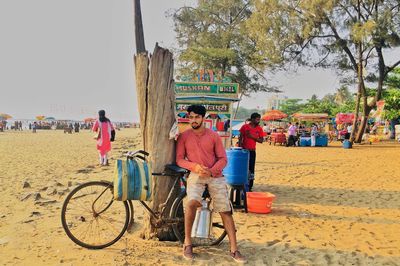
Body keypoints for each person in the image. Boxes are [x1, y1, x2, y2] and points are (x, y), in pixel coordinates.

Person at [176, 105, 246, 263]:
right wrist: (194, 167)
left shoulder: (213, 136)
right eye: (191, 117)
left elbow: (223, 159)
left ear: (203, 118)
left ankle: (234, 249)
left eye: (196, 117)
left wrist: (212, 170)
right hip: (195, 174)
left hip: (215, 175)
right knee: (191, 203)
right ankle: (188, 243)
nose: (193, 120)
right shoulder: (184, 136)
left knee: (225, 210)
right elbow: (179, 159)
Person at [239, 113, 263, 192]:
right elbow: (240, 138)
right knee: (243, 168)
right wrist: (239, 148)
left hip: (252, 151)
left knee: (251, 169)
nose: (258, 121)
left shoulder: (259, 129)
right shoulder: (244, 127)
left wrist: (252, 137)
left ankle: (250, 186)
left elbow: (261, 140)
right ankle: (242, 184)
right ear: (252, 119)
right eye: (257, 119)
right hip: (244, 151)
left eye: (259, 119)